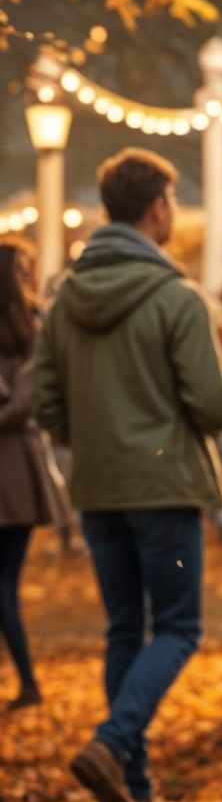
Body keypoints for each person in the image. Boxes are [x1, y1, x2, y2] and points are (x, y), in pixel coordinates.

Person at [35, 149, 222, 802]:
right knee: (178, 627)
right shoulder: (177, 298)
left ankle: (134, 785)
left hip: (98, 487)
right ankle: (114, 745)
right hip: (165, 485)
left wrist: (90, 439)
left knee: (125, 629)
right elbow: (212, 404)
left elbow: (46, 402)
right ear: (157, 208)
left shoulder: (63, 300)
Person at [0, 239, 69, 709]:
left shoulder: (33, 327)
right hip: (18, 466)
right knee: (4, 582)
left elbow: (26, 402)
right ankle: (26, 679)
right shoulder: (32, 327)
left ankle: (27, 679)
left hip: (16, 468)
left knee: (4, 582)